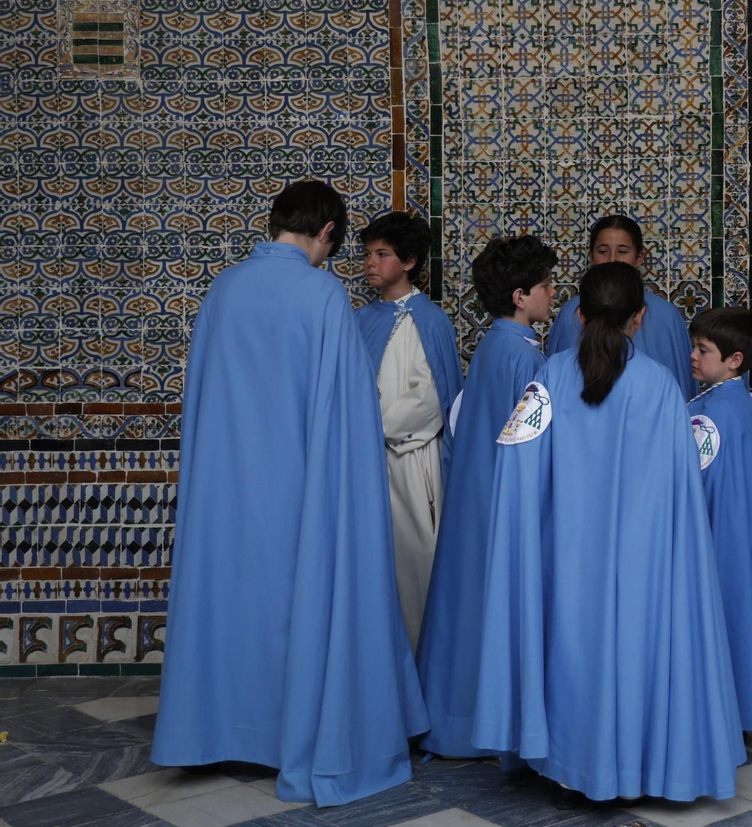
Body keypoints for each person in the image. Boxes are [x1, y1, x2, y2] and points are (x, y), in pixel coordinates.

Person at [151, 180, 426, 806]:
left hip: (226, 490)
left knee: (231, 599)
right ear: (326, 232)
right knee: (299, 609)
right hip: (303, 488)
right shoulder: (323, 295)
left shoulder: (222, 290)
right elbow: (350, 417)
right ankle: (294, 733)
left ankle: (215, 731)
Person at [472, 263, 746, 801]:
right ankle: (634, 767)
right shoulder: (661, 385)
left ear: (577, 314)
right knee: (633, 656)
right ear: (640, 318)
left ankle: (573, 762)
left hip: (564, 555)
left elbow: (516, 466)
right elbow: (679, 488)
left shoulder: (548, 376)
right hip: (642, 560)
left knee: (570, 650)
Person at [416, 234, 555, 757]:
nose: (552, 293)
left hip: (473, 498)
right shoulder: (524, 359)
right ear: (520, 296)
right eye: (544, 285)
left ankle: (451, 722)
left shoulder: (496, 346)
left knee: (465, 606)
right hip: (501, 505)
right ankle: (484, 727)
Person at [354, 210, 463, 649]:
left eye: (383, 254)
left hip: (409, 465)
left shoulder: (428, 320)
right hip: (362, 462)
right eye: (367, 254)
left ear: (410, 261)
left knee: (413, 564)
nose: (371, 263)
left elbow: (431, 398)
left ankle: (417, 668)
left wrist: (364, 426)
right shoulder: (360, 319)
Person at [688, 307, 752, 733]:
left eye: (703, 350)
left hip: (717, 531)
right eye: (693, 346)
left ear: (734, 360)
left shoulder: (717, 410)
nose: (693, 356)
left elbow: (699, 477)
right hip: (738, 530)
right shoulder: (730, 399)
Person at [546, 214, 695, 398]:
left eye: (622, 251)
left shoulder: (666, 315)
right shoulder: (571, 311)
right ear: (591, 256)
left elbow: (683, 393)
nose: (612, 259)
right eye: (603, 251)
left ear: (639, 257)